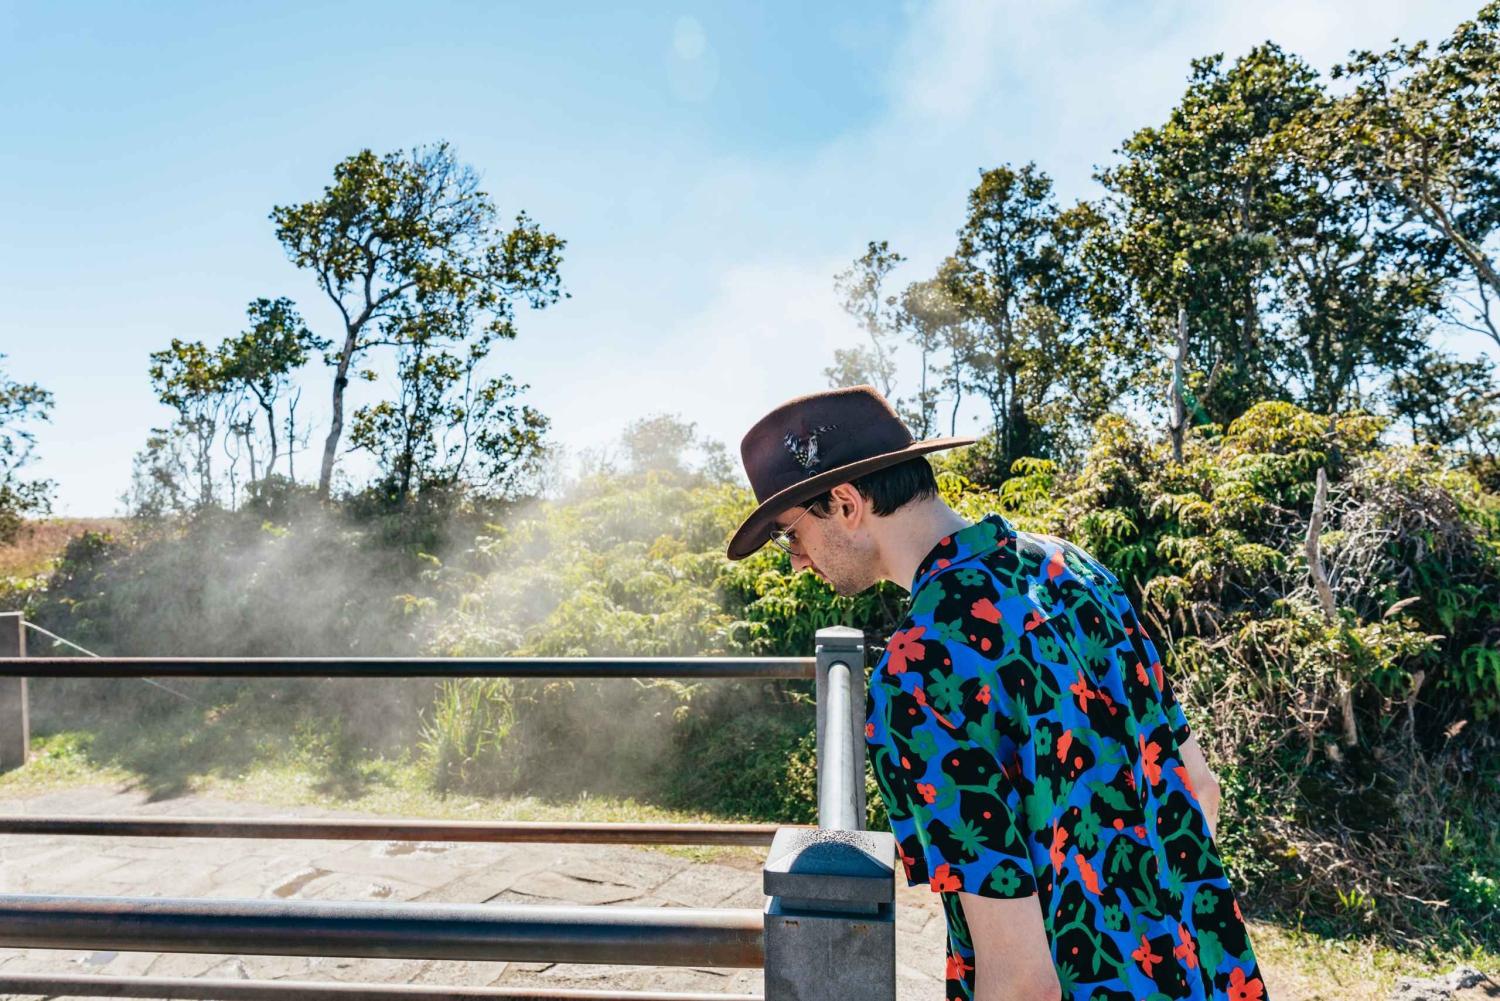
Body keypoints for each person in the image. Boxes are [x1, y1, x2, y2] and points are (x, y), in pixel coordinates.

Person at [727, 385, 1267, 1001]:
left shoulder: (918, 672)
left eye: (789, 534)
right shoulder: (1076, 570)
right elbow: (1200, 788)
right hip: (1205, 977)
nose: (796, 561)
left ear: (846, 503)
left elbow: (1022, 982)